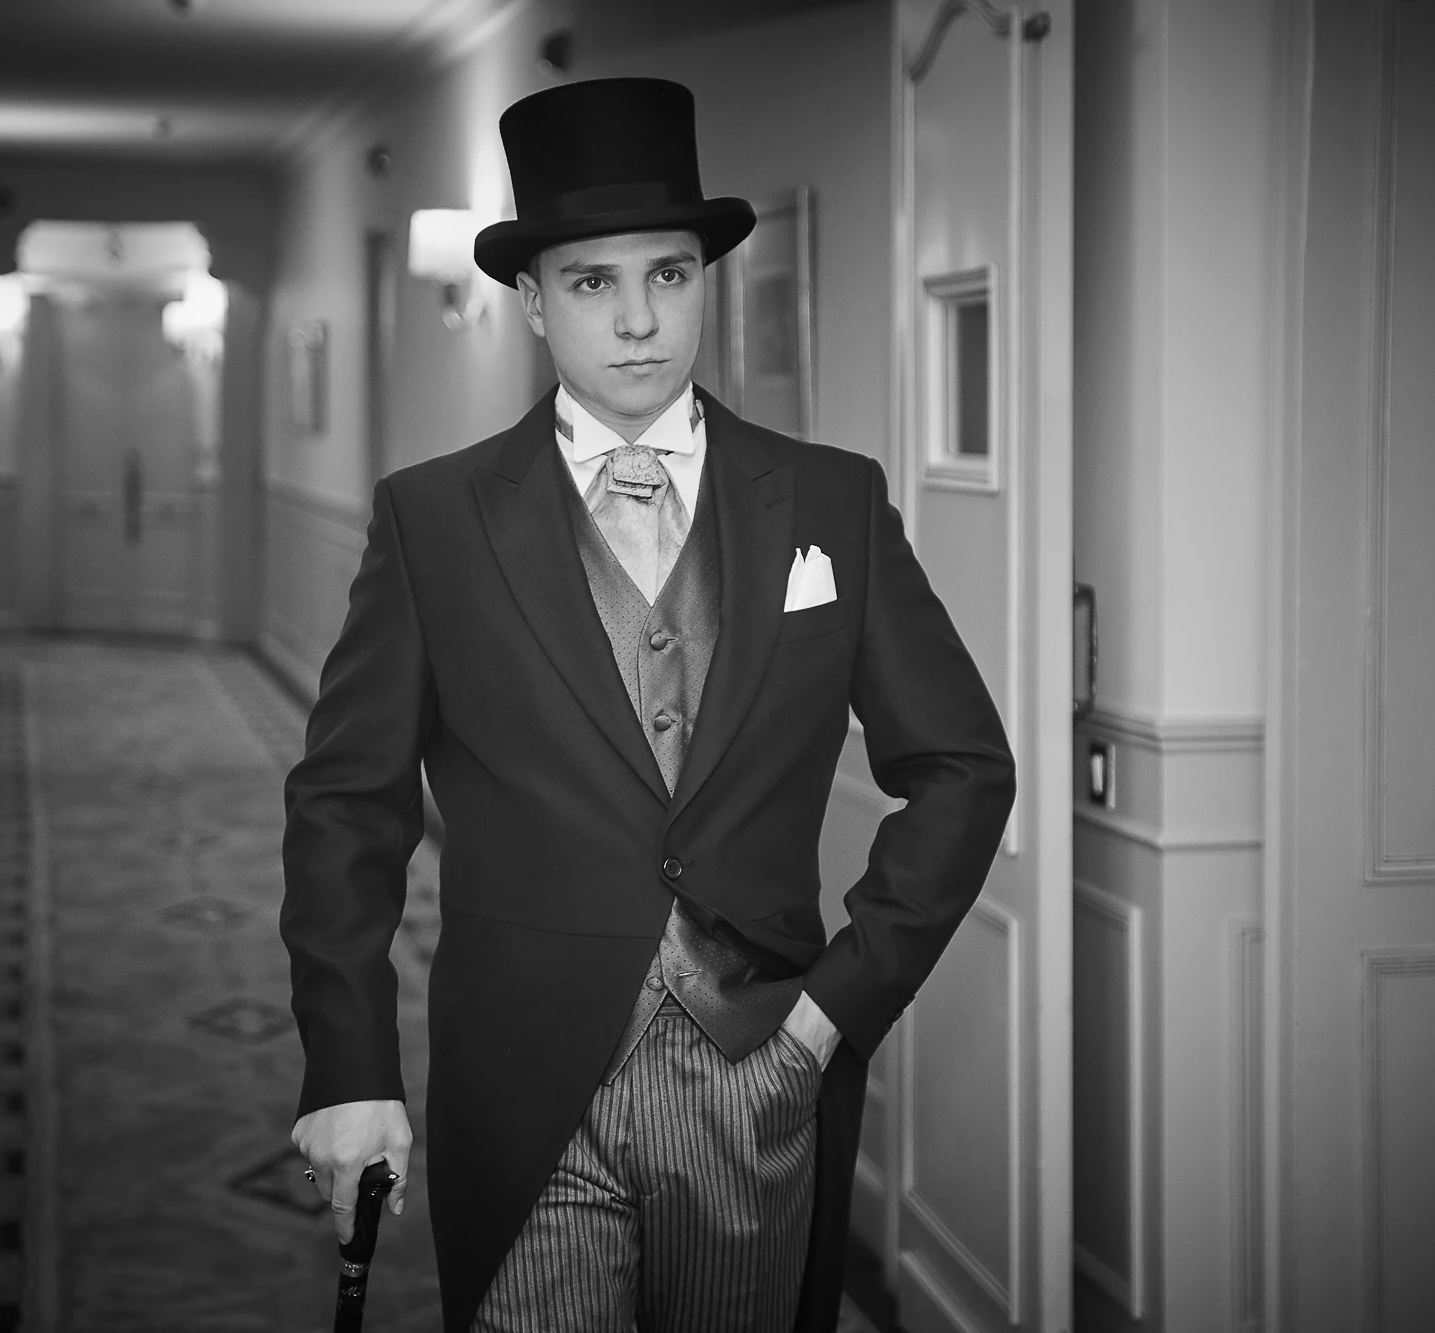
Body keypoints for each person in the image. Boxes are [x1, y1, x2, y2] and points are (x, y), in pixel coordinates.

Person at [282, 76, 1014, 1333]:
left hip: (759, 1072)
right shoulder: (434, 519)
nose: (636, 320)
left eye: (668, 276)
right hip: (524, 1085)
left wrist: (832, 1013)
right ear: (529, 300)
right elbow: (346, 804)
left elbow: (960, 764)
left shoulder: (827, 501)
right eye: (591, 283)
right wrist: (347, 1066)